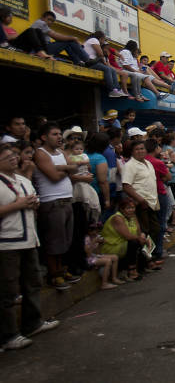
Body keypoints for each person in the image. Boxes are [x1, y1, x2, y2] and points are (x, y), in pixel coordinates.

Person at [0, 143, 60, 352]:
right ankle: (8, 335)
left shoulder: (23, 180)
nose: (13, 159)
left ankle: (33, 322)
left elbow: (33, 202)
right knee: (7, 290)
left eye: (14, 156)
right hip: (6, 242)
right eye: (7, 157)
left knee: (33, 282)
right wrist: (17, 205)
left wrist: (33, 203)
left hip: (29, 239)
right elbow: (14, 206)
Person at [33, 122, 86, 290]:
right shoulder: (40, 154)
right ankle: (54, 274)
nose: (58, 137)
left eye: (59, 134)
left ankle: (62, 269)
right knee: (53, 240)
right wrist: (68, 168)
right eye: (54, 134)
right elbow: (54, 177)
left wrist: (63, 168)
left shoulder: (61, 153)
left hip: (66, 200)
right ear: (44, 137)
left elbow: (74, 169)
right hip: (52, 201)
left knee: (65, 239)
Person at [121, 139, 162, 272]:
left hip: (152, 202)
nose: (140, 151)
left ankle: (148, 259)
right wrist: (140, 200)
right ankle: (142, 263)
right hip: (140, 204)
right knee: (144, 233)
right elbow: (126, 186)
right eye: (137, 149)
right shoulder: (130, 165)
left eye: (142, 148)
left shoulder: (148, 163)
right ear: (132, 152)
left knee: (154, 231)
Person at [100, 197, 146, 281]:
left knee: (143, 238)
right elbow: (127, 236)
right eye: (128, 208)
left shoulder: (132, 216)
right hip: (113, 246)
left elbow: (138, 232)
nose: (131, 210)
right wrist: (139, 237)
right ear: (121, 209)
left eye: (133, 207)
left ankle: (145, 264)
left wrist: (142, 235)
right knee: (134, 242)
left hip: (124, 244)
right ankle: (131, 271)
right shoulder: (117, 218)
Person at [84, 222, 124, 289]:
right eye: (94, 231)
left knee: (115, 257)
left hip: (94, 255)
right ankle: (104, 284)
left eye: (96, 231)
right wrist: (93, 242)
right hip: (88, 259)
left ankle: (114, 278)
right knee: (108, 261)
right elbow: (88, 254)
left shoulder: (96, 237)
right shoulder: (86, 239)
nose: (95, 233)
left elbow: (98, 252)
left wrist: (100, 244)